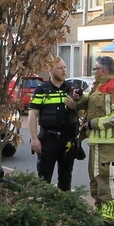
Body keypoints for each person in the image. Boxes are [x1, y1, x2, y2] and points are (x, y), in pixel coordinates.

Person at [72, 55, 114, 226]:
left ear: (103, 70)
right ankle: (100, 215)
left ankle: (110, 220)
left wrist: (93, 124)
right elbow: (88, 103)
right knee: (96, 180)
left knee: (106, 179)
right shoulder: (98, 86)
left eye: (95, 69)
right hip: (96, 143)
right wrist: (79, 98)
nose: (93, 72)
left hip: (109, 143)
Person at [28, 57, 81, 191]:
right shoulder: (42, 90)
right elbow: (32, 114)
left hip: (67, 140)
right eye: (60, 68)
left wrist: (75, 106)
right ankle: (44, 207)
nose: (64, 71)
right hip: (48, 140)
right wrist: (34, 138)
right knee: (44, 180)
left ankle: (63, 208)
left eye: (64, 67)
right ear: (50, 70)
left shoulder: (71, 89)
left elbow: (81, 114)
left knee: (65, 178)